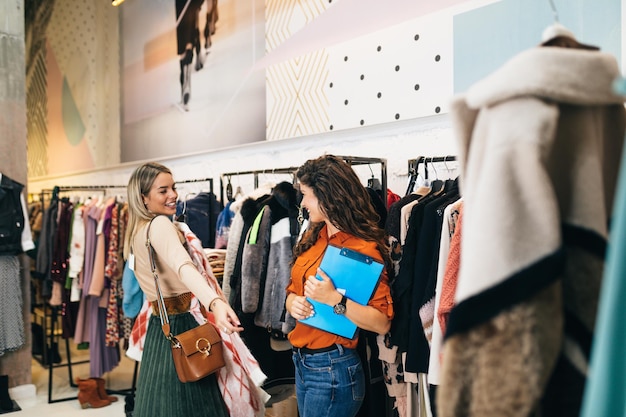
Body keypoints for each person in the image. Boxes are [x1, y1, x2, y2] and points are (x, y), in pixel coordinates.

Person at [123, 162, 242, 417]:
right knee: (192, 404)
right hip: (182, 326)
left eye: (173, 188)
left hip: (159, 328)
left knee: (159, 403)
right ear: (144, 198)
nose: (173, 195)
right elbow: (184, 267)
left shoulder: (136, 230)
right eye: (163, 190)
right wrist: (215, 302)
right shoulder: (160, 225)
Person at [285, 154, 394, 417]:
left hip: (333, 368)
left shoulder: (363, 249)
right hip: (302, 362)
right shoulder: (315, 236)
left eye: (306, 195)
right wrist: (293, 304)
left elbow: (382, 322)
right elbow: (291, 289)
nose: (302, 203)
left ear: (326, 196)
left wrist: (336, 300)